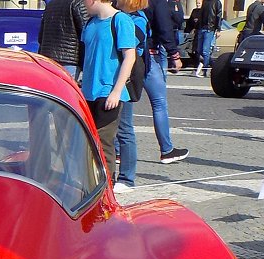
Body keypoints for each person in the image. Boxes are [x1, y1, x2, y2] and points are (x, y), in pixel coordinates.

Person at [80, 0, 137, 167]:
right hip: (88, 92)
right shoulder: (90, 22)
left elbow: (130, 57)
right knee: (88, 144)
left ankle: (108, 185)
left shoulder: (121, 20)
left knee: (103, 145)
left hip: (108, 92)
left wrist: (117, 91)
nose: (83, 4)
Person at [145, 0, 190, 162]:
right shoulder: (157, 2)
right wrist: (174, 54)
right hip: (149, 55)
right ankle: (166, 149)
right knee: (159, 104)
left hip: (126, 54)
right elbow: (165, 28)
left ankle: (119, 151)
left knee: (124, 108)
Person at [114, 0, 148, 192]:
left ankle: (127, 178)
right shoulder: (121, 16)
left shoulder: (137, 20)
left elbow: (130, 48)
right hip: (115, 76)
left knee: (125, 129)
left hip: (125, 78)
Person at [37, 0, 90, 79]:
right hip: (70, 60)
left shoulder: (51, 4)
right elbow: (87, 32)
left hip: (48, 58)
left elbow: (41, 36)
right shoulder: (78, 3)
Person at [194, 0, 222, 77]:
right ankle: (202, 67)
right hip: (201, 28)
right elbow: (201, 14)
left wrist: (218, 29)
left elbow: (218, 16)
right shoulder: (205, 1)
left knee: (205, 51)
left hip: (210, 28)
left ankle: (205, 70)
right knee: (199, 50)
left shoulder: (216, 2)